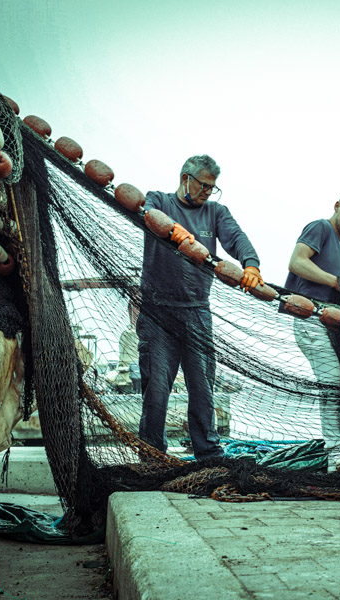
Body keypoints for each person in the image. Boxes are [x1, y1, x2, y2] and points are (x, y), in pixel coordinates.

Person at [137, 154, 263, 460]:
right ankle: (152, 454)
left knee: (202, 386)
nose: (209, 191)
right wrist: (172, 230)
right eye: (204, 185)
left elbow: (236, 238)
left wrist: (251, 264)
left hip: (196, 311)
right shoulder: (160, 200)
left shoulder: (216, 212)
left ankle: (207, 452)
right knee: (156, 389)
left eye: (213, 187)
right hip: (158, 311)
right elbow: (148, 212)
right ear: (185, 179)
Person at [284, 190, 340, 472]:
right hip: (308, 318)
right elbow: (297, 262)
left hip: (330, 324)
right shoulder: (320, 227)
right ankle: (335, 453)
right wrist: (336, 282)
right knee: (331, 380)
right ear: (337, 206)